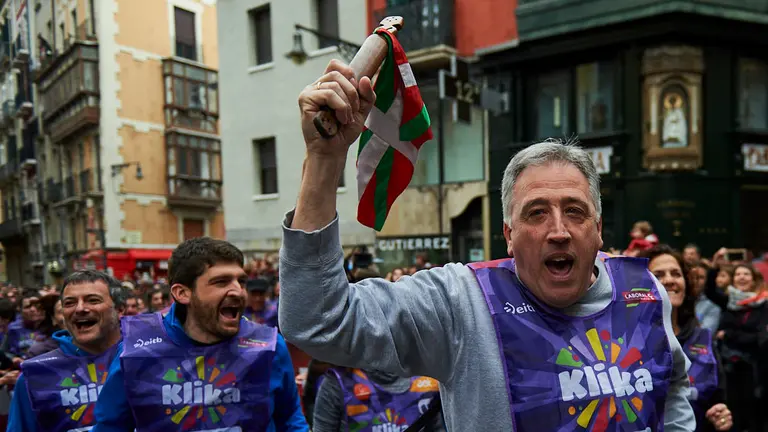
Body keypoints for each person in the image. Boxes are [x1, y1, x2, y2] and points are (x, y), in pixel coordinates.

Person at [278, 59, 695, 431]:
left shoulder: (642, 292)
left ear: (599, 228)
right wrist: (324, 160)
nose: (559, 231)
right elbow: (317, 319)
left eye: (575, 211)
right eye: (535, 213)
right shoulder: (461, 303)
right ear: (508, 235)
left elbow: (672, 388)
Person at [92, 237, 308, 431]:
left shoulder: (268, 346)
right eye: (221, 282)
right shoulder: (136, 350)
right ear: (182, 293)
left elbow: (289, 420)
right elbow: (110, 427)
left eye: (241, 281)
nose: (238, 291)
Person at [7, 270, 125, 431]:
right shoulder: (35, 375)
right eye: (69, 303)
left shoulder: (146, 360)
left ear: (120, 309)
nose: (80, 309)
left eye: (92, 300)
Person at [642, 245, 732, 431]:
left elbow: (718, 399)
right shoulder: (629, 343)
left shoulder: (703, 337)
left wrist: (720, 414)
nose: (669, 280)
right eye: (658, 275)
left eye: (676, 274)